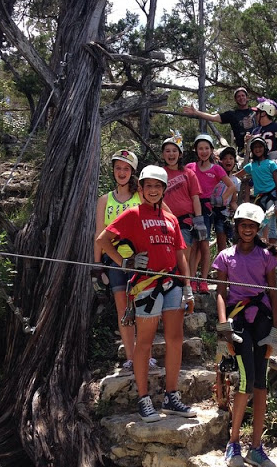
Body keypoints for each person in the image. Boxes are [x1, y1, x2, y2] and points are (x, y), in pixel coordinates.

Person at [96, 165, 196, 423]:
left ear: (163, 190)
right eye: (148, 186)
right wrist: (125, 263)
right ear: (140, 189)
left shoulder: (170, 218)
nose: (153, 190)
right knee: (145, 342)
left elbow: (179, 255)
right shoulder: (132, 214)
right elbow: (102, 240)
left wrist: (187, 288)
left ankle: (171, 396)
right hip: (147, 285)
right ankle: (144, 400)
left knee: (175, 339)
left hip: (172, 282)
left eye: (157, 186)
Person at [212, 203, 277, 467]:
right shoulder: (225, 256)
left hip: (262, 320)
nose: (247, 229)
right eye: (243, 225)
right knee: (246, 378)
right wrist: (223, 329)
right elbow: (220, 292)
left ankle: (256, 447)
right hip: (238, 320)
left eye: (252, 226)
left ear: (258, 229)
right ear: (236, 226)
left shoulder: (266, 256)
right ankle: (233, 443)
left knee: (261, 382)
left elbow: (273, 292)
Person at [93, 149, 141, 371]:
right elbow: (99, 234)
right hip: (113, 260)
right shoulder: (104, 200)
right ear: (113, 170)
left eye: (126, 168)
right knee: (123, 309)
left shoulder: (140, 196)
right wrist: (97, 266)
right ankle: (131, 356)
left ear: (132, 172)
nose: (122, 172)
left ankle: (143, 353)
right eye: (118, 168)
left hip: (139, 259)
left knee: (141, 307)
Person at [183, 87, 277, 155]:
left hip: (264, 150)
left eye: (243, 95)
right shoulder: (232, 115)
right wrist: (197, 112)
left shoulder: (257, 110)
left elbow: (276, 109)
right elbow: (214, 117)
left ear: (247, 97)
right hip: (244, 151)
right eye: (238, 96)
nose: (241, 98)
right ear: (236, 100)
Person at [186, 134, 236, 294]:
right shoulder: (190, 167)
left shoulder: (216, 168)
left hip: (207, 210)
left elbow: (232, 186)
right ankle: (193, 280)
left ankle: (204, 281)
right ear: (196, 150)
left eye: (206, 148)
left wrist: (222, 199)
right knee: (194, 246)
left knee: (204, 246)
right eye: (200, 148)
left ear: (211, 150)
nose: (203, 151)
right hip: (191, 209)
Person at [161, 133, 205, 264]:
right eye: (167, 151)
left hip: (185, 221)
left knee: (184, 257)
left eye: (175, 151)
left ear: (180, 154)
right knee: (166, 255)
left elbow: (195, 197)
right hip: (165, 221)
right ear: (163, 154)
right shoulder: (159, 174)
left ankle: (184, 283)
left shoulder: (188, 173)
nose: (171, 154)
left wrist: (199, 220)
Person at [235, 137, 277, 245]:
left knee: (270, 221)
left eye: (260, 146)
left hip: (271, 195)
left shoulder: (271, 164)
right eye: (255, 147)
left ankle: (273, 249)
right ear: (252, 150)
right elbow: (237, 175)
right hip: (259, 198)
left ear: (265, 148)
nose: (258, 149)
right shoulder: (251, 166)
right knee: (260, 221)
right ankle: (263, 248)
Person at [212, 146, 240, 252]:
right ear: (221, 161)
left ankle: (223, 264)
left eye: (231, 158)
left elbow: (233, 201)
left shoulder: (236, 181)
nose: (228, 161)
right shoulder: (215, 176)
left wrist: (239, 213)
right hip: (210, 209)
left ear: (234, 161)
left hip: (223, 212)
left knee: (222, 238)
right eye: (225, 158)